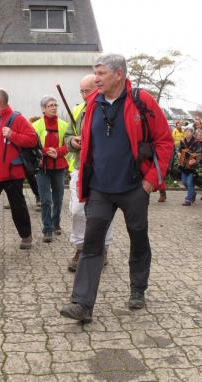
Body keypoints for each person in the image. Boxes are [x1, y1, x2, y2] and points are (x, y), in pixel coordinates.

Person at [60, 54, 173, 323]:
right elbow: (87, 143)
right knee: (92, 243)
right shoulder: (92, 104)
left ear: (118, 74)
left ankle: (138, 289)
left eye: (100, 73)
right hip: (100, 188)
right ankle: (82, 304)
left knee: (138, 237)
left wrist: (150, 182)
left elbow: (164, 141)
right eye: (95, 73)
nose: (96, 78)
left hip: (134, 187)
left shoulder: (141, 101)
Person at [0, 88, 37, 256]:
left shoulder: (17, 119)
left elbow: (32, 140)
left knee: (18, 207)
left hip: (12, 174)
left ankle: (26, 236)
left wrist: (13, 135)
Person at [65, 74, 113, 272]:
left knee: (103, 213)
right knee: (77, 210)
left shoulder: (110, 110)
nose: (84, 95)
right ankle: (80, 247)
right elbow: (67, 136)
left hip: (104, 170)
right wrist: (72, 141)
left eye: (88, 91)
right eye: (82, 91)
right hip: (80, 167)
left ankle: (102, 250)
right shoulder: (79, 110)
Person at [32, 96, 69, 243]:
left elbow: (70, 144)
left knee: (58, 199)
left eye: (55, 105)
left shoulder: (64, 125)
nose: (53, 108)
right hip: (42, 167)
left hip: (59, 166)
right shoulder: (36, 125)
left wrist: (59, 152)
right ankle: (47, 229)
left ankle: (56, 223)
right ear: (43, 109)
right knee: (46, 200)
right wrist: (47, 151)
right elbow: (32, 145)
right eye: (50, 106)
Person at [178, 127, 202, 206]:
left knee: (189, 182)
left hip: (192, 167)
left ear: (192, 133)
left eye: (189, 132)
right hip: (183, 166)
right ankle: (193, 193)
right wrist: (179, 155)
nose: (187, 133)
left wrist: (195, 160)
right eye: (186, 132)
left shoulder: (196, 142)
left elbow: (199, 154)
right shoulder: (182, 142)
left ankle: (188, 199)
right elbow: (179, 151)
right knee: (184, 182)